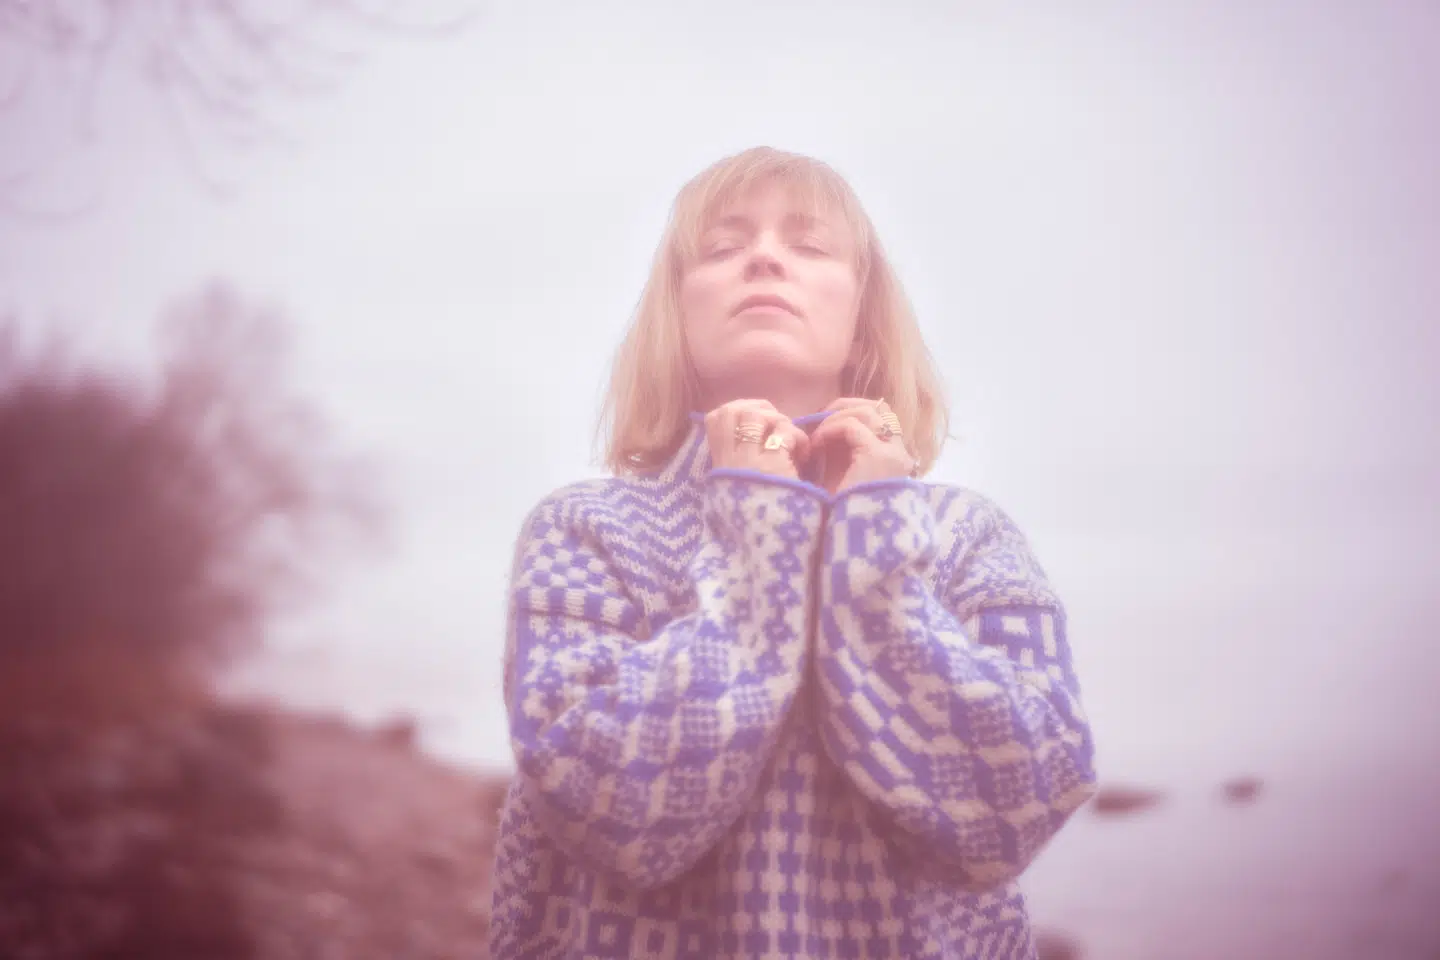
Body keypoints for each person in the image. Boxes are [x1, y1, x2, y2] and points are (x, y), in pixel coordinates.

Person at [489, 146, 1097, 960]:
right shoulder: (584, 529)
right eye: (722, 246)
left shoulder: (969, 536)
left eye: (809, 245)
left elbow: (1011, 814)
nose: (766, 258)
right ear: (677, 314)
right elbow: (611, 814)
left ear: (863, 316)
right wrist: (763, 534)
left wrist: (874, 547)